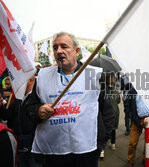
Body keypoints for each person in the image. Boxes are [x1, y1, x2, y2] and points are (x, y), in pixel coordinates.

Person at [23, 32, 114, 167]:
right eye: (55, 48)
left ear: (76, 51)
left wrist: (101, 140)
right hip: (53, 153)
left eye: (64, 46)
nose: (59, 51)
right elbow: (28, 107)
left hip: (86, 152)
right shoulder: (43, 76)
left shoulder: (92, 75)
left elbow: (107, 110)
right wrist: (38, 110)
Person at [124, 82, 149, 167]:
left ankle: (146, 158)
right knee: (132, 142)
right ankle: (130, 160)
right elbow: (126, 106)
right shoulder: (132, 91)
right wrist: (134, 118)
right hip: (136, 120)